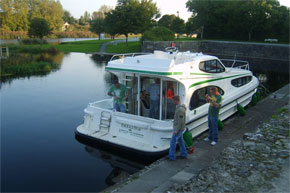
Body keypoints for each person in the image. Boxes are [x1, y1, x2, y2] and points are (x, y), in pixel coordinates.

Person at [168, 96, 187, 160]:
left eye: (173, 101)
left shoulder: (180, 110)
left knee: (172, 142)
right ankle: (184, 154)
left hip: (178, 129)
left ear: (176, 101)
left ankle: (171, 156)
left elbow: (180, 121)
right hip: (180, 128)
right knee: (181, 141)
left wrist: (176, 130)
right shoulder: (181, 108)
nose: (173, 102)